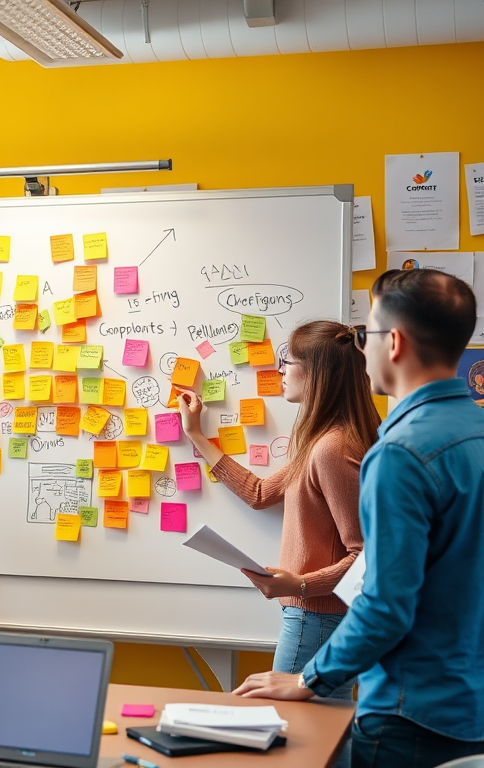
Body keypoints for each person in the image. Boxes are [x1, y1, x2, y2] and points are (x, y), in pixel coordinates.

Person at [234, 269, 484, 768]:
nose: (360, 348)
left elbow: (385, 601)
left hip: (409, 711)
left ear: (394, 343)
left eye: (366, 332)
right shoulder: (475, 429)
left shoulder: (401, 452)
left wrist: (310, 678)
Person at [179, 321, 379, 705]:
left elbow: (365, 557)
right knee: (323, 736)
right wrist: (197, 436)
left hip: (317, 617)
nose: (280, 370)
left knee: (295, 736)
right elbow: (259, 493)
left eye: (289, 360)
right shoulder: (322, 442)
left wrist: (298, 586)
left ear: (318, 374)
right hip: (319, 618)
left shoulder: (331, 449)